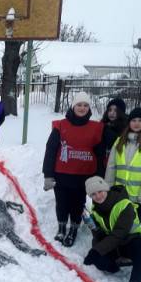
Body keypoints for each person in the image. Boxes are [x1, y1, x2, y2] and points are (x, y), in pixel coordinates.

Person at [42, 91, 104, 247]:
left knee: (77, 205)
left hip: (84, 176)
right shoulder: (61, 126)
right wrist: (48, 175)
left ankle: (73, 230)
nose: (82, 108)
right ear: (73, 106)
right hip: (61, 174)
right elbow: (50, 150)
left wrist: (99, 176)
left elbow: (100, 154)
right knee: (62, 203)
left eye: (85, 105)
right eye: (79, 105)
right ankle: (62, 227)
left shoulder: (96, 128)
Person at [82, 176, 141, 282]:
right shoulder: (95, 209)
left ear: (106, 189)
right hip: (114, 244)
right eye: (93, 194)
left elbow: (120, 233)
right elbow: (100, 234)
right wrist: (95, 229)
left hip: (131, 240)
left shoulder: (124, 205)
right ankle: (115, 266)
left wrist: (97, 250)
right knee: (100, 261)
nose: (98, 196)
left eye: (100, 191)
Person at [104, 107, 141, 221]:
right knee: (117, 224)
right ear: (129, 122)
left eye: (140, 120)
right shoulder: (120, 140)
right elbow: (111, 166)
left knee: (133, 227)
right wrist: (109, 189)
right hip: (119, 194)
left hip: (138, 196)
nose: (136, 124)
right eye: (133, 120)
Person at [101, 97, 128, 168]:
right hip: (103, 163)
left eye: (116, 110)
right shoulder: (102, 125)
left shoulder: (126, 127)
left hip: (119, 164)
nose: (112, 113)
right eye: (110, 110)